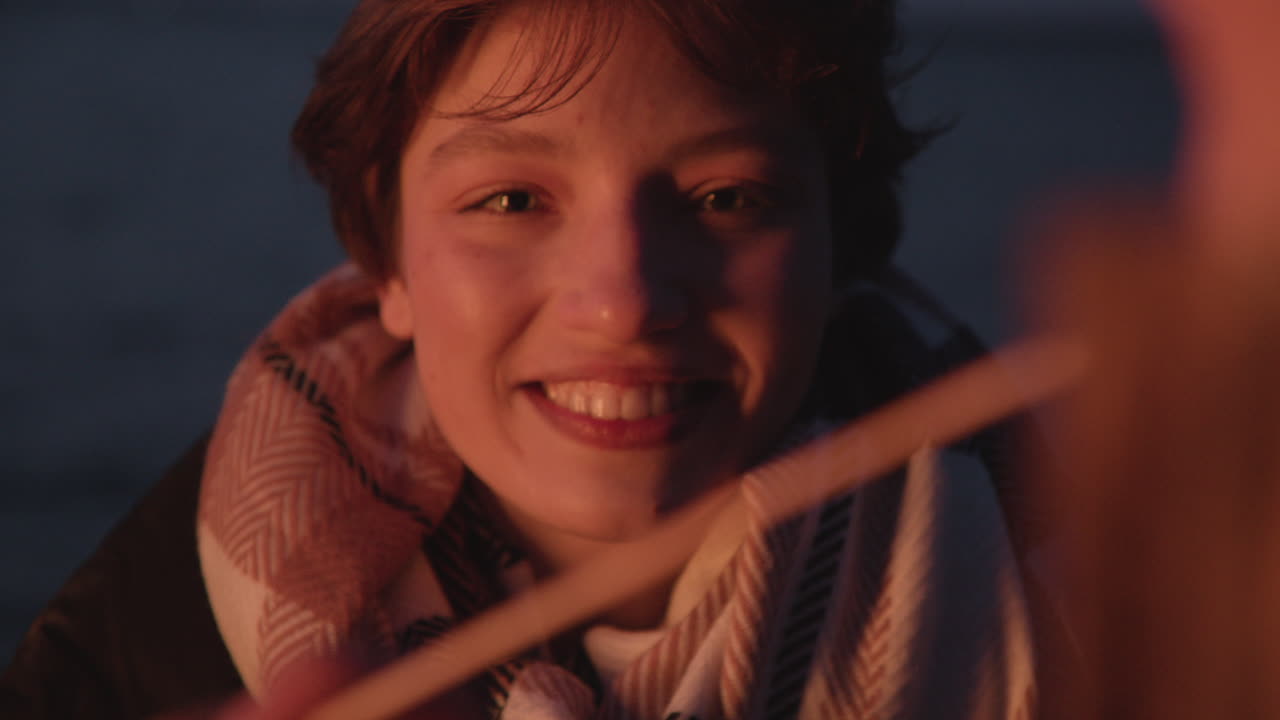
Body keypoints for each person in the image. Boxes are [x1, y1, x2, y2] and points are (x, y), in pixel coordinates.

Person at [1, 1, 1046, 717]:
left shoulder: (1089, 598)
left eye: (726, 198)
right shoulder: (126, 658)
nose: (624, 300)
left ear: (841, 242)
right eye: (510, 200)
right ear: (387, 262)